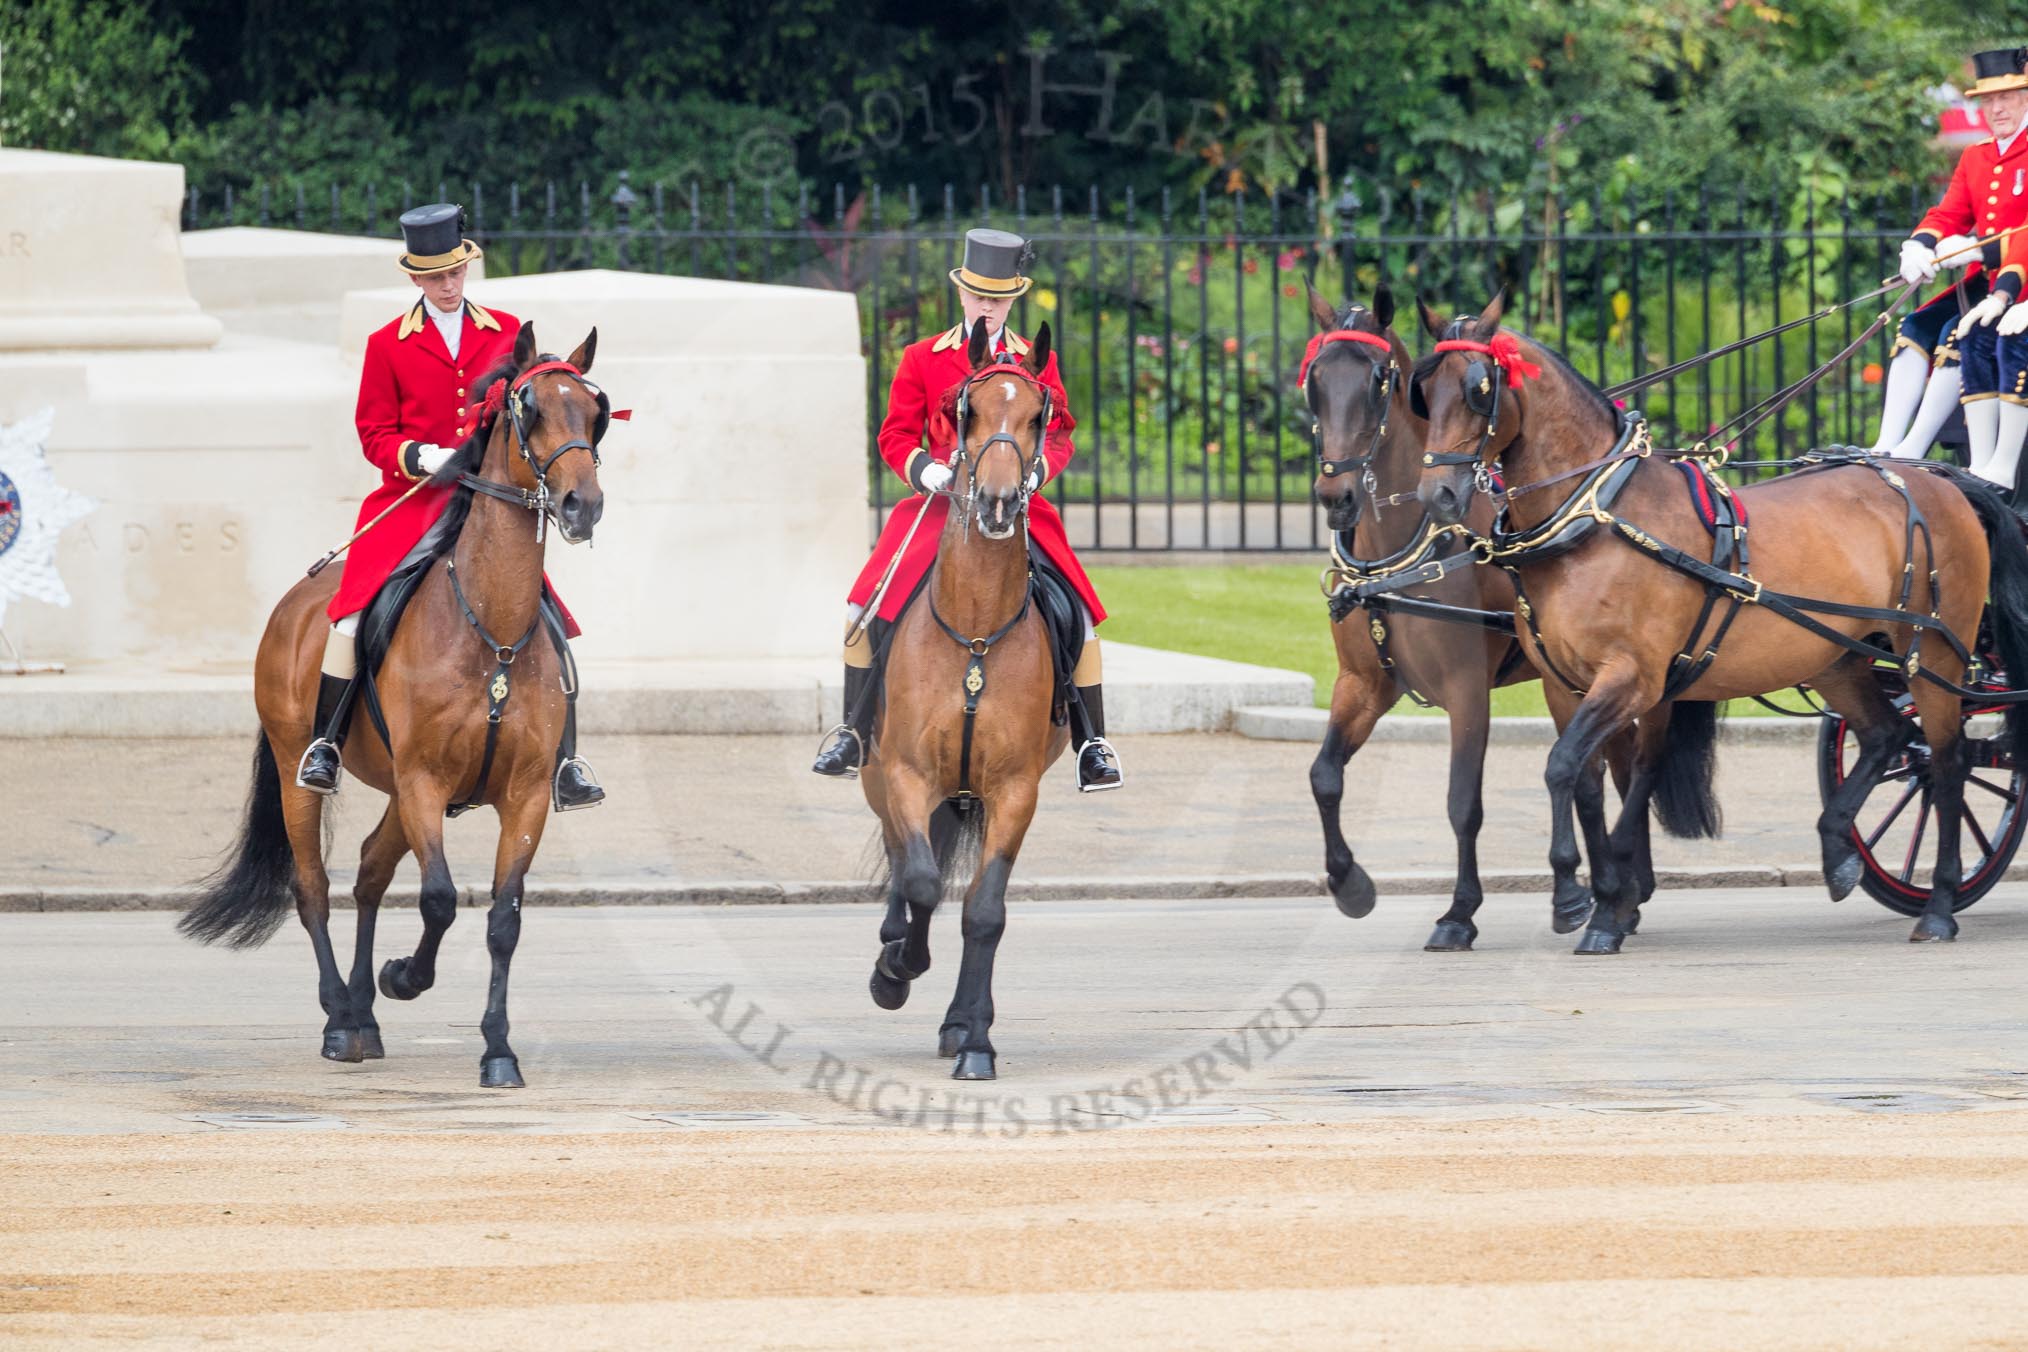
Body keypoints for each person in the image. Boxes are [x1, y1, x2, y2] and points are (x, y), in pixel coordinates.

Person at [297, 203, 605, 810]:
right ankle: (327, 743)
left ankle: (565, 759)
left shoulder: (508, 331)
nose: (448, 285)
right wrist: (419, 456)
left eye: (456, 272)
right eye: (435, 276)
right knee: (353, 611)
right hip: (415, 498)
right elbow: (373, 433)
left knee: (546, 618)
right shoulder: (387, 344)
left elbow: (531, 406)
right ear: (415, 278)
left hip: (491, 501)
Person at [811, 228, 1124, 792]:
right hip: (939, 507)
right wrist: (924, 470)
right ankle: (854, 730)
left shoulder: (1035, 362)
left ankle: (1091, 741)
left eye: (998, 298)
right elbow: (895, 434)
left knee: (1078, 611)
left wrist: (1036, 472)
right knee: (863, 606)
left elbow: (1060, 436)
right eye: (979, 295)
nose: (988, 306)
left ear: (1013, 299)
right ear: (961, 292)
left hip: (1019, 508)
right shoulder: (922, 358)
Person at [1875, 46, 2028, 462]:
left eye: (2006, 98)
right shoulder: (1976, 156)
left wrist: (1978, 251)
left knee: (1954, 335)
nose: (1996, 109)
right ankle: (1887, 443)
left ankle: (1913, 446)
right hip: (1988, 280)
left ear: (2025, 98)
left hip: (2021, 285)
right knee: (1916, 327)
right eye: (1988, 100)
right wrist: (1920, 245)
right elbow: (1949, 213)